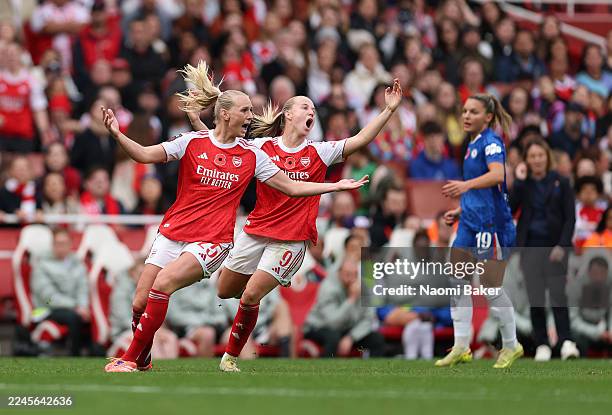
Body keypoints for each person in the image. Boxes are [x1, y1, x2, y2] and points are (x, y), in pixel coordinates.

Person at [103, 61, 367, 372]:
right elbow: (145, 155)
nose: (251, 116)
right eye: (245, 110)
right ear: (226, 113)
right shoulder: (192, 141)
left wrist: (335, 185)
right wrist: (118, 135)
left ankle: (130, 360)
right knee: (139, 301)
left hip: (212, 240)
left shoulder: (254, 155)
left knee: (163, 285)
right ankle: (144, 358)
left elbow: (291, 188)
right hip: (173, 231)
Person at [195, 79, 402, 372]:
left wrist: (388, 111)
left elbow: (359, 140)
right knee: (224, 290)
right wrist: (196, 119)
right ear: (288, 114)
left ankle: (230, 357)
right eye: (306, 106)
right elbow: (222, 148)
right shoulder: (262, 146)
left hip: (290, 239)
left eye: (314, 109)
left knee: (252, 294)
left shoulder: (319, 151)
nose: (312, 111)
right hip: (256, 230)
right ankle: (276, 273)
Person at [438, 93, 523, 369]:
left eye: (473, 112)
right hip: (471, 222)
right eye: (464, 111)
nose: (466, 116)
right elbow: (486, 191)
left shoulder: (491, 142)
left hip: (492, 225)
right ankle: (462, 345)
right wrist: (461, 210)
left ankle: (511, 345)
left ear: (487, 117)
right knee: (456, 279)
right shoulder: (472, 143)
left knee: (489, 287)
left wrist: (465, 186)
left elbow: (498, 175)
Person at [510, 138, 579, 361]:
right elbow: (510, 208)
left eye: (540, 155)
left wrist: (562, 245)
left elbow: (570, 218)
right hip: (530, 247)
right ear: (526, 161)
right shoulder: (524, 184)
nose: (537, 160)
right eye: (532, 156)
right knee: (536, 297)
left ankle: (566, 341)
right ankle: (542, 344)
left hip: (555, 247)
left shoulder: (561, 181)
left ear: (547, 157)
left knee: (559, 295)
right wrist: (519, 181)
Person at [303, 258, 384, 358]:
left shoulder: (362, 288)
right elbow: (333, 322)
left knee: (377, 339)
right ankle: (325, 370)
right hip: (318, 327)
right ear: (339, 273)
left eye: (354, 275)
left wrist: (351, 337)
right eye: (347, 274)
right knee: (333, 337)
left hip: (345, 330)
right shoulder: (328, 287)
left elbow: (369, 319)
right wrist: (351, 299)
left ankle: (373, 372)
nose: (351, 279)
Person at [31, 228, 89, 356]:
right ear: (52, 245)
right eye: (58, 243)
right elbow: (48, 297)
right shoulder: (42, 264)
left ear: (70, 245)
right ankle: (75, 355)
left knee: (85, 315)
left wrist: (83, 306)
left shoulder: (77, 263)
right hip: (45, 308)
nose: (61, 247)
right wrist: (75, 306)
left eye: (64, 243)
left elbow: (83, 288)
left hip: (74, 307)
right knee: (73, 317)